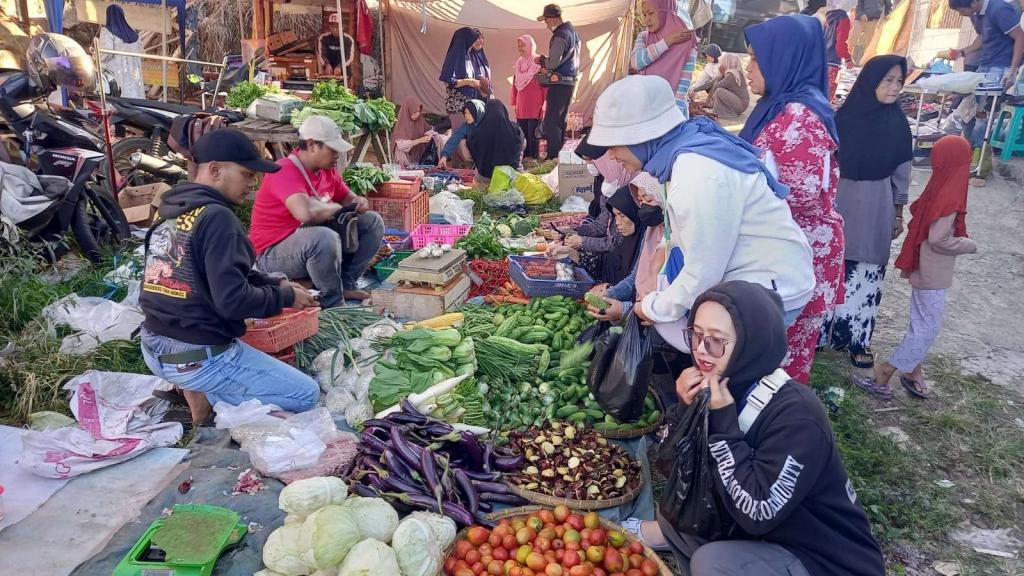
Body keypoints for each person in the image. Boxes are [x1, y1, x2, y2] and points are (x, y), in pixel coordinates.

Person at [643, 280, 886, 576]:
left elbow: (757, 511)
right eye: (696, 334)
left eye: (717, 340)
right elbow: (672, 468)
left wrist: (722, 424)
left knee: (714, 563)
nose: (702, 350)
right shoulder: (720, 384)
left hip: (821, 559)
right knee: (678, 514)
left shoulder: (796, 415)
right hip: (764, 535)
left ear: (751, 343)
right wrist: (684, 409)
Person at [588, 74, 816, 353]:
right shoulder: (681, 155)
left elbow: (701, 272)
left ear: (640, 136)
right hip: (746, 283)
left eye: (613, 144)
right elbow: (681, 244)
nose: (610, 156)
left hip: (764, 291)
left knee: (728, 379)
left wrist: (649, 307)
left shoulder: (696, 174)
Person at [139, 129, 320, 425]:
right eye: (247, 174)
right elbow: (233, 301)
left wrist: (273, 284)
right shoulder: (217, 218)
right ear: (215, 170)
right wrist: (286, 297)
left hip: (154, 346)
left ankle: (203, 403)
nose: (253, 183)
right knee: (305, 394)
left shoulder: (173, 208)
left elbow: (215, 274)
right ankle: (220, 407)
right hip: (197, 356)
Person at [741, 14, 844, 385]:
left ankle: (782, 434)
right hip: (783, 250)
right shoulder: (778, 106)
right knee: (769, 354)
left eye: (755, 59)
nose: (748, 67)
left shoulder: (800, 115)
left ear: (783, 59)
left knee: (782, 363)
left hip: (800, 256)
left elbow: (799, 195)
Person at [857, 136, 978, 399]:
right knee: (928, 328)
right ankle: (885, 372)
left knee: (920, 323)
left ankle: (914, 371)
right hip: (933, 272)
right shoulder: (950, 195)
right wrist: (968, 245)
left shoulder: (940, 185)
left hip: (925, 267)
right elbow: (939, 238)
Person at [821, 55, 913, 369]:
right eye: (888, 80)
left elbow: (902, 173)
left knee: (868, 269)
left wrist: (898, 214)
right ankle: (823, 334)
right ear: (870, 80)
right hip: (841, 201)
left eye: (899, 81)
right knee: (834, 266)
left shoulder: (898, 124)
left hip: (877, 205)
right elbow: (827, 165)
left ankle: (858, 338)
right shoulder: (842, 119)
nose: (895, 87)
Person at [249, 116, 385, 307]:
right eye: (332, 149)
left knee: (372, 221)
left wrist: (359, 202)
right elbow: (305, 213)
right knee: (323, 237)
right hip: (271, 254)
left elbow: (348, 198)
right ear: (312, 144)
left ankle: (345, 283)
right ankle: (332, 301)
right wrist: (335, 208)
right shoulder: (284, 170)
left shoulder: (326, 171)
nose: (337, 154)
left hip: (306, 246)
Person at [632, 0, 698, 115]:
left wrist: (671, 120)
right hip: (643, 107)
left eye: (651, 13)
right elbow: (636, 63)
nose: (646, 19)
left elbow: (682, 88)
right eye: (644, 14)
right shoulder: (644, 37)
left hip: (671, 110)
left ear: (665, 11)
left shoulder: (687, 42)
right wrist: (667, 41)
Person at [536, 4, 581, 160]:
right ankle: (559, 157)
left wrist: (541, 60)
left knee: (552, 121)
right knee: (561, 120)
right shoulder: (573, 33)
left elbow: (553, 63)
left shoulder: (561, 35)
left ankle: (553, 157)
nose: (546, 24)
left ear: (553, 18)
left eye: (546, 20)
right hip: (570, 82)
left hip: (560, 83)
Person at [439, 27, 491, 132]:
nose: (474, 42)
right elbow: (449, 82)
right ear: (465, 39)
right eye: (472, 39)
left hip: (470, 105)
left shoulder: (467, 55)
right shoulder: (455, 56)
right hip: (458, 107)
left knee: (468, 138)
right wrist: (469, 82)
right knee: (460, 137)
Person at [465, 99, 525, 183]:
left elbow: (470, 145)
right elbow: (521, 145)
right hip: (511, 176)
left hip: (486, 178)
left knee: (478, 179)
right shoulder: (514, 129)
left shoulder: (477, 132)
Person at [511, 35, 547, 160]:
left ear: (530, 45)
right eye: (519, 46)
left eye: (523, 45)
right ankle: (524, 157)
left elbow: (545, 85)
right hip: (521, 105)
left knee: (534, 133)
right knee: (522, 133)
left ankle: (535, 158)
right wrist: (514, 102)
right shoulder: (519, 63)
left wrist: (545, 102)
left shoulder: (538, 62)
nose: (521, 48)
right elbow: (515, 85)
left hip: (535, 104)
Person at [100, 5, 144, 98]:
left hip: (117, 72)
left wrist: (96, 58)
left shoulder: (107, 32)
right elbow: (142, 54)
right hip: (134, 73)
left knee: (120, 96)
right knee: (135, 96)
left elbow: (106, 53)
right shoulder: (135, 35)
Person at [693, 53, 749, 120]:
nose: (722, 64)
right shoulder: (733, 72)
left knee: (719, 90)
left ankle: (718, 110)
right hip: (741, 103)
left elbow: (715, 86)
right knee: (719, 88)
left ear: (727, 62)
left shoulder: (731, 75)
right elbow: (711, 83)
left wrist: (720, 75)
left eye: (723, 62)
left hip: (740, 105)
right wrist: (694, 89)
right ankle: (710, 104)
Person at [439, 99, 485, 171]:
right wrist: (444, 155)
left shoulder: (486, 125)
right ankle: (471, 165)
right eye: (466, 113)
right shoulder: (466, 126)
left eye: (470, 113)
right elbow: (454, 139)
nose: (467, 116)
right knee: (462, 142)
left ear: (477, 113)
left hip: (486, 158)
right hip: (473, 155)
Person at [391, 96, 431, 166]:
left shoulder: (420, 120)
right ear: (409, 110)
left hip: (417, 159)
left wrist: (429, 135)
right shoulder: (403, 123)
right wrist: (419, 140)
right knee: (400, 148)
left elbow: (430, 130)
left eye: (419, 111)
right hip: (405, 159)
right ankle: (405, 168)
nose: (417, 114)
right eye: (415, 112)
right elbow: (400, 145)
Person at [850, 0, 892, 66]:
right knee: (852, 40)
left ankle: (863, 63)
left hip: (874, 21)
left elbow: (888, 6)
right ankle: (850, 60)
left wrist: (888, 17)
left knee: (868, 44)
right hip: (860, 20)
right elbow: (859, 5)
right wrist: (861, 14)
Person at [824, 6, 852, 102]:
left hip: (823, 59)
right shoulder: (844, 19)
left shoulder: (828, 17)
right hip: (833, 62)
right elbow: (840, 45)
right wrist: (848, 58)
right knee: (828, 95)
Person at [318, 13, 356, 79]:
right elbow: (321, 55)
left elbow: (349, 58)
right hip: (328, 73)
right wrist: (327, 64)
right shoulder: (323, 38)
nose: (334, 29)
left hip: (344, 73)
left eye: (337, 26)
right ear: (329, 27)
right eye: (332, 26)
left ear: (342, 26)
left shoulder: (348, 39)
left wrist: (340, 67)